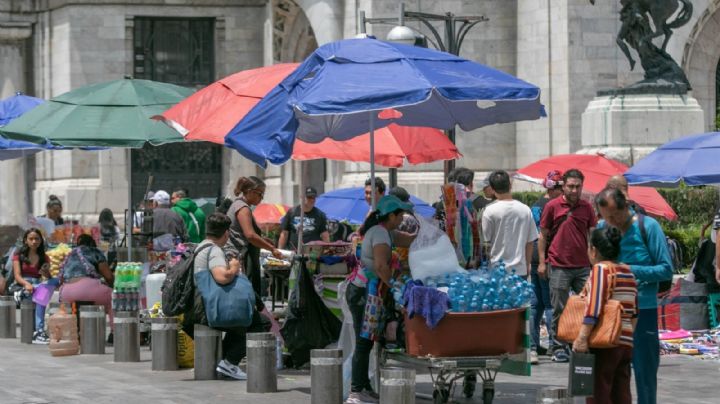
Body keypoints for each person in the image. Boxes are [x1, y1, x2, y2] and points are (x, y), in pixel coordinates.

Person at [595, 187, 672, 404]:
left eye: (614, 216)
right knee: (612, 374)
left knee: (644, 371)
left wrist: (630, 270)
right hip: (611, 311)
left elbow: (666, 269)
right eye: (605, 217)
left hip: (643, 309)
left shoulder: (648, 227)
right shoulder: (603, 228)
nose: (610, 222)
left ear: (626, 207)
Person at [346, 195, 416, 404]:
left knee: (367, 340)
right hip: (363, 292)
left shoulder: (385, 232)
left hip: (368, 291)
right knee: (364, 341)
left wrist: (434, 234)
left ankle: (364, 387)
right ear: (391, 215)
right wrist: (396, 288)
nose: (402, 218)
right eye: (400, 215)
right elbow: (380, 266)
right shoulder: (380, 234)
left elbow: (410, 239)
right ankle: (356, 391)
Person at [192, 212, 269, 380]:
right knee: (259, 322)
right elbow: (223, 277)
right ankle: (230, 362)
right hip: (208, 309)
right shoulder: (214, 250)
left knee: (242, 323)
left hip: (200, 305)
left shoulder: (201, 246)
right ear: (226, 233)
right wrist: (234, 266)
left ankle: (225, 362)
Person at [573, 226, 638, 404]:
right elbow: (634, 312)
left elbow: (594, 307)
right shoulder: (627, 271)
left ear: (593, 249)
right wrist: (626, 337)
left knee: (598, 393)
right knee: (621, 393)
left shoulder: (601, 270)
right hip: (624, 342)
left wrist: (582, 337)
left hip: (604, 342)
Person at [538, 169, 597, 363]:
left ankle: (581, 343)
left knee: (587, 307)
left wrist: (595, 263)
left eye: (577, 186)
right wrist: (541, 262)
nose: (574, 190)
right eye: (570, 186)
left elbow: (592, 236)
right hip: (559, 265)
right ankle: (558, 346)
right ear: (563, 186)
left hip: (582, 267)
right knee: (559, 309)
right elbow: (543, 236)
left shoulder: (587, 207)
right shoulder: (552, 206)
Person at [226, 176, 283, 296]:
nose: (261, 198)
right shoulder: (243, 208)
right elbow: (250, 235)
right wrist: (271, 248)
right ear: (251, 192)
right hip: (241, 256)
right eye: (260, 194)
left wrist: (262, 239)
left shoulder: (241, 205)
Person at [529, 170, 564, 364]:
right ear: (553, 188)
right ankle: (553, 345)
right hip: (547, 257)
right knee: (550, 304)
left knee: (536, 305)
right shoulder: (552, 206)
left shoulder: (535, 206)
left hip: (535, 256)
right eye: (560, 188)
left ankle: (533, 347)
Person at [481, 170, 538, 276]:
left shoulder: (489, 211)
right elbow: (530, 242)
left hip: (496, 270)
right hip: (520, 270)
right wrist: (527, 265)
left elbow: (486, 243)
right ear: (510, 185)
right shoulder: (525, 210)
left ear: (492, 189)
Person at [59, 234, 115, 340]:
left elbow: (61, 279)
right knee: (115, 298)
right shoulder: (94, 251)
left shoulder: (69, 255)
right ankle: (115, 332)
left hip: (67, 292)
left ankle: (72, 334)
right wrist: (111, 286)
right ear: (92, 243)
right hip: (88, 289)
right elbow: (109, 276)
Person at [12, 228, 53, 344]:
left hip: (37, 285)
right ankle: (39, 331)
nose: (34, 241)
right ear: (26, 240)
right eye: (31, 239)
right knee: (39, 294)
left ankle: (39, 332)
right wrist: (27, 284)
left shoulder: (44, 257)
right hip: (23, 285)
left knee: (46, 287)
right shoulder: (18, 255)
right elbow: (17, 276)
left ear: (41, 241)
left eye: (37, 239)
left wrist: (46, 272)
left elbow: (48, 277)